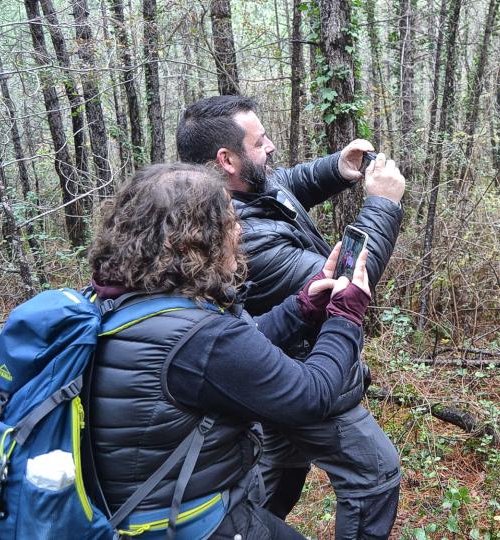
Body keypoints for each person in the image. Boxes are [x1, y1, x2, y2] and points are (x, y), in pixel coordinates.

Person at [86, 163, 372, 539]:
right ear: (194, 240)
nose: (239, 231)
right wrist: (345, 314)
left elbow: (239, 346)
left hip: (122, 510)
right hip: (181, 524)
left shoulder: (114, 301)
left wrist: (303, 305)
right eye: (229, 221)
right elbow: (310, 395)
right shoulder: (204, 337)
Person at [176, 96, 404, 539]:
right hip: (300, 373)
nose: (273, 147)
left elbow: (280, 186)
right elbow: (345, 280)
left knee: (275, 473)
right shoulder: (234, 236)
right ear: (227, 160)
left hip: (264, 372)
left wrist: (338, 167)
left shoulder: (232, 191)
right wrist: (384, 206)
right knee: (374, 474)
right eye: (260, 142)